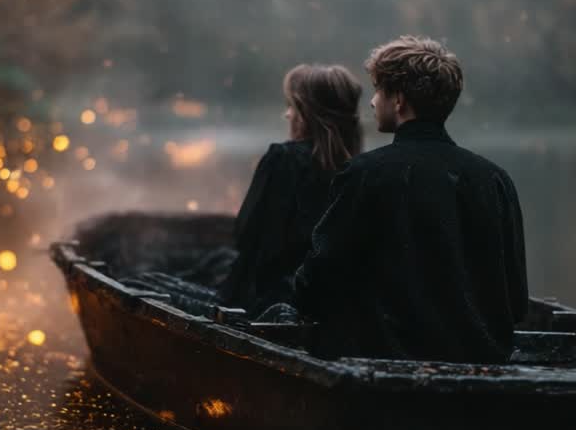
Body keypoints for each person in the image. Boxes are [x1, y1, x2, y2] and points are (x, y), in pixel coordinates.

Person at [293, 36, 528, 362]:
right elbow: (515, 303)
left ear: (399, 100)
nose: (373, 102)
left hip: (384, 362)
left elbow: (315, 284)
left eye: (378, 90)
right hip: (482, 362)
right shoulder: (495, 180)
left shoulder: (365, 174)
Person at [215, 64, 363, 316]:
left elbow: (246, 233)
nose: (287, 115)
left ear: (306, 114)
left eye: (292, 106)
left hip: (262, 298)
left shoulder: (283, 159)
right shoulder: (360, 170)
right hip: (324, 302)